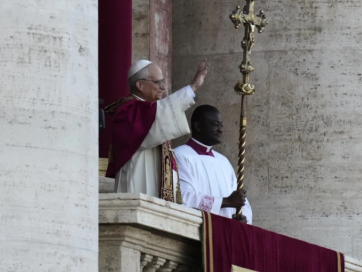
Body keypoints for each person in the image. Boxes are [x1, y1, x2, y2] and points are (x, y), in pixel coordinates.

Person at [105, 59, 209, 202]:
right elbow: (162, 111)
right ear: (140, 85)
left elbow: (163, 111)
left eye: (163, 82)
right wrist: (193, 87)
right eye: (157, 82)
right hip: (138, 181)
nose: (163, 87)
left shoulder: (149, 110)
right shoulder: (128, 109)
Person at [174, 105, 253, 224]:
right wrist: (225, 202)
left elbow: (240, 199)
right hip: (201, 229)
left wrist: (243, 217)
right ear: (198, 126)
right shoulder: (179, 155)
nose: (220, 129)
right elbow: (183, 196)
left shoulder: (223, 161)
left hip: (228, 229)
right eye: (215, 124)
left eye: (221, 125)